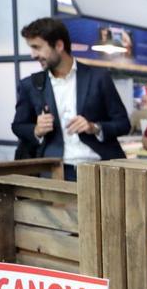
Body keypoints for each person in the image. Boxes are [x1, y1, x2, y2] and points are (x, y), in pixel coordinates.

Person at [11, 17, 130, 181]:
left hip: (99, 169)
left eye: (37, 47)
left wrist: (94, 127)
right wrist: (36, 130)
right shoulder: (30, 85)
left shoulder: (98, 78)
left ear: (59, 46)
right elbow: (18, 126)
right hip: (53, 171)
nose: (33, 55)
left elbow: (123, 124)